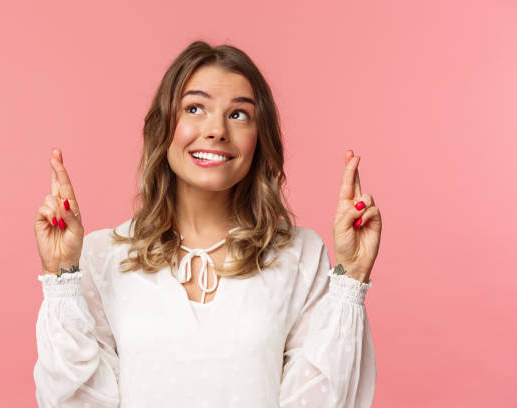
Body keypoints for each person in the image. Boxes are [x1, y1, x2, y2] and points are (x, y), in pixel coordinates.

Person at [33, 40, 382, 408]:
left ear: (259, 139)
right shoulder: (102, 256)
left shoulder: (301, 255)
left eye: (238, 115)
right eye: (195, 108)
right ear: (164, 125)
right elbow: (76, 401)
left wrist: (351, 276)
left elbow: (323, 399)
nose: (216, 130)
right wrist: (61, 275)